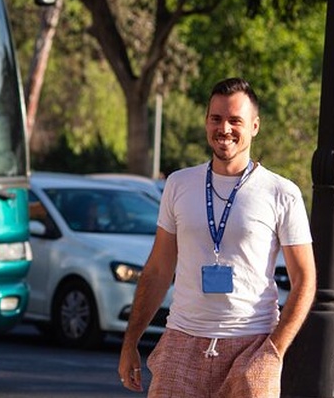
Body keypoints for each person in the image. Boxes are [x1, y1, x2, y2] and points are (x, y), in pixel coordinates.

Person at [118, 77, 316, 398]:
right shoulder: (179, 184)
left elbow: (305, 279)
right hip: (182, 341)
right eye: (216, 118)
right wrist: (130, 343)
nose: (224, 128)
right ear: (207, 122)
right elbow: (157, 270)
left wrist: (273, 351)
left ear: (254, 126)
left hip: (252, 344)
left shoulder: (282, 193)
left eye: (235, 120)